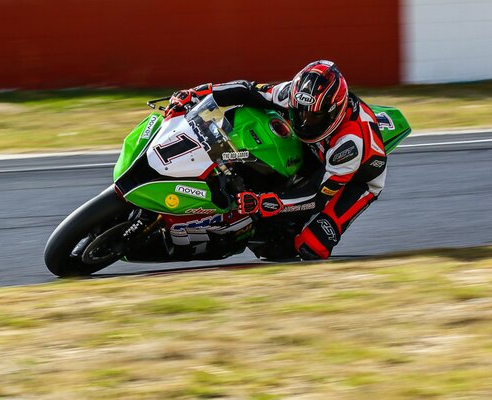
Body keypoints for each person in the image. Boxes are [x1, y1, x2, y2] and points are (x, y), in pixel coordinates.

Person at [165, 60, 387, 260]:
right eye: (300, 112)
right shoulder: (293, 94)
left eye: (314, 116)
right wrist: (198, 92)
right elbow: (248, 91)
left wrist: (263, 203)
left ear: (334, 110)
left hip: (357, 180)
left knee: (309, 247)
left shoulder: (350, 143)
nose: (305, 121)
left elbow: (316, 196)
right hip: (316, 149)